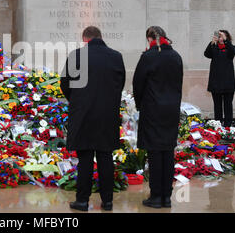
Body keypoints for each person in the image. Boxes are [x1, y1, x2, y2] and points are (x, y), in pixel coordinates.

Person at [60, 26, 126, 212]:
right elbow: (119, 84)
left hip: (83, 115)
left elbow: (65, 83)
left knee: (85, 160)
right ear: (100, 37)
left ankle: (82, 201)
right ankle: (107, 201)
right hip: (107, 115)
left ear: (85, 39)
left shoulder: (76, 56)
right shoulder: (116, 56)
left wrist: (77, 101)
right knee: (106, 158)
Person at [133, 26, 183, 208]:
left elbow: (138, 84)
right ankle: (166, 197)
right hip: (171, 110)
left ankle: (156, 197)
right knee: (168, 152)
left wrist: (140, 104)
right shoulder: (176, 56)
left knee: (155, 153)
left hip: (153, 109)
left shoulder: (148, 57)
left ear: (149, 38)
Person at [204, 30, 235, 127]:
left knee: (228, 106)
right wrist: (212, 42)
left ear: (227, 37)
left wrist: (226, 41)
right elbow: (207, 54)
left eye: (222, 36)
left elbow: (233, 52)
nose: (220, 38)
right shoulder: (214, 47)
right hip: (216, 82)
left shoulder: (231, 47)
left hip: (228, 82)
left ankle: (228, 126)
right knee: (217, 106)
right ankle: (218, 126)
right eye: (219, 36)